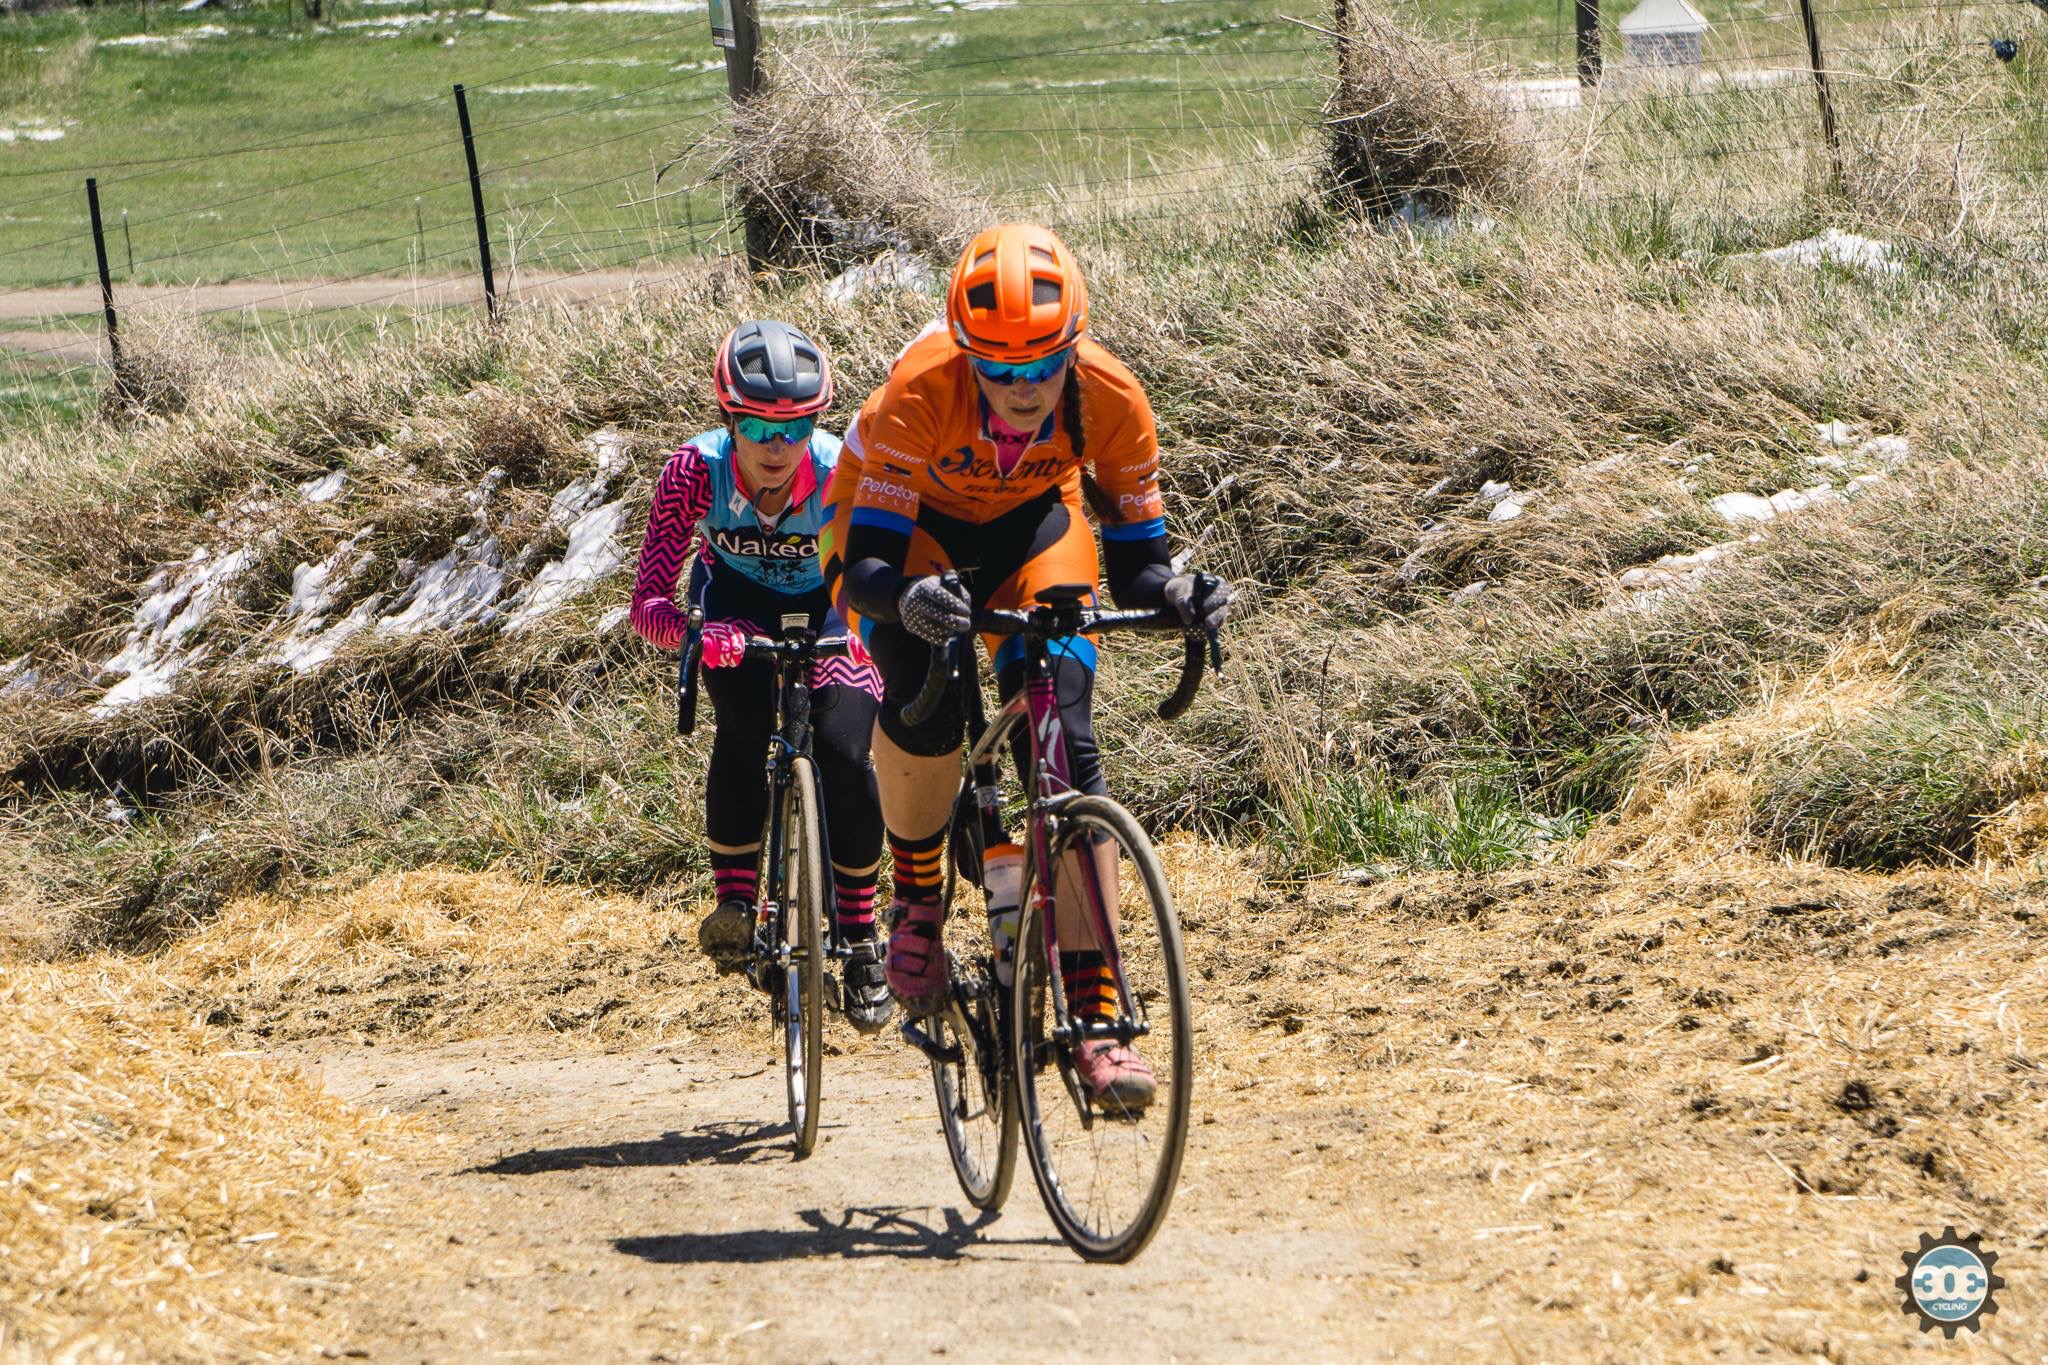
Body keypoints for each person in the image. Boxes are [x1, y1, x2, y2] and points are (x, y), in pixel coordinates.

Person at [822, 223, 1232, 1104]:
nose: (1021, 387)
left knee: (1064, 732)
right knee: (923, 696)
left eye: (1042, 366)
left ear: (1073, 347)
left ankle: (1097, 1008)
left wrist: (1176, 593)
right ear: (965, 352)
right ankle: (918, 896)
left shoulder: (1112, 397)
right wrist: (909, 599)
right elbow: (868, 568)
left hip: (1031, 525)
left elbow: (1140, 563)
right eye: (997, 369)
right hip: (897, 532)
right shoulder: (920, 390)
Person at [631, 319, 893, 1034]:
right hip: (733, 608)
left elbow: (881, 572)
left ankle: (863, 938)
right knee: (743, 729)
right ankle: (738, 905)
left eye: (796, 427)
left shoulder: (842, 471)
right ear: (728, 420)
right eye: (756, 427)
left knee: (844, 751)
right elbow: (646, 602)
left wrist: (871, 633)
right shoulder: (693, 471)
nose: (777, 447)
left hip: (832, 605)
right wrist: (694, 634)